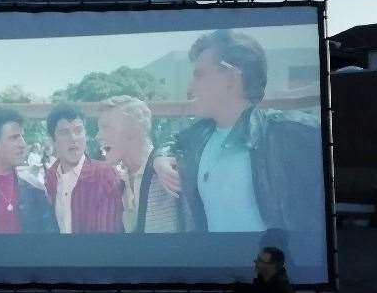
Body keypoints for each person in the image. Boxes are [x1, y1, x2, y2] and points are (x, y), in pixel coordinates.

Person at [154, 29, 322, 233]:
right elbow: (174, 141)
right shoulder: (197, 136)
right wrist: (161, 158)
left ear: (231, 78)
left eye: (199, 75)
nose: (190, 87)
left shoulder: (291, 133)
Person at [96, 95, 183, 233]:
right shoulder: (119, 181)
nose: (98, 136)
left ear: (133, 128)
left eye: (106, 127)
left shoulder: (168, 171)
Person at [43, 104, 123, 233]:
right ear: (53, 140)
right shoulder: (50, 178)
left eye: (78, 131)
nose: (73, 138)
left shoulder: (104, 175)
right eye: (64, 133)